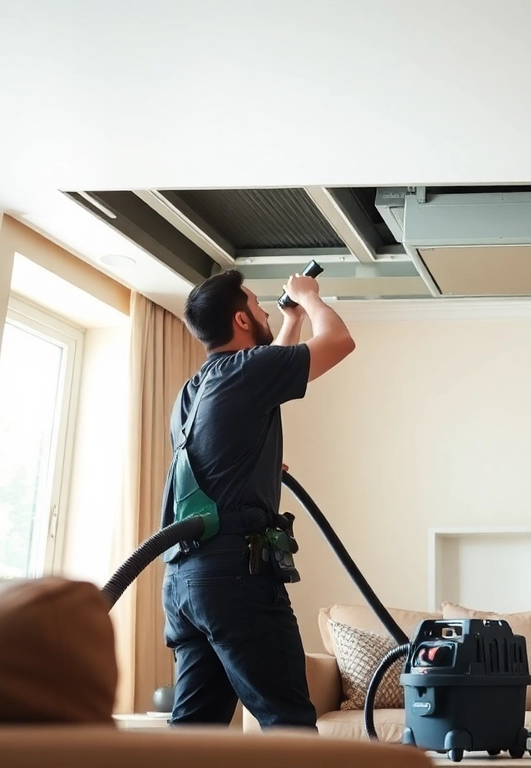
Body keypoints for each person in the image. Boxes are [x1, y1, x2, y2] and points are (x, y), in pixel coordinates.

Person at [160, 268, 355, 730]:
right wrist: (308, 299)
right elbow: (339, 340)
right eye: (256, 303)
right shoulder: (246, 372)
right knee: (288, 725)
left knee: (194, 730)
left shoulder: (195, 389)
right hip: (235, 576)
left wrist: (258, 465)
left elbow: (268, 376)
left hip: (186, 581)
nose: (265, 308)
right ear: (242, 320)